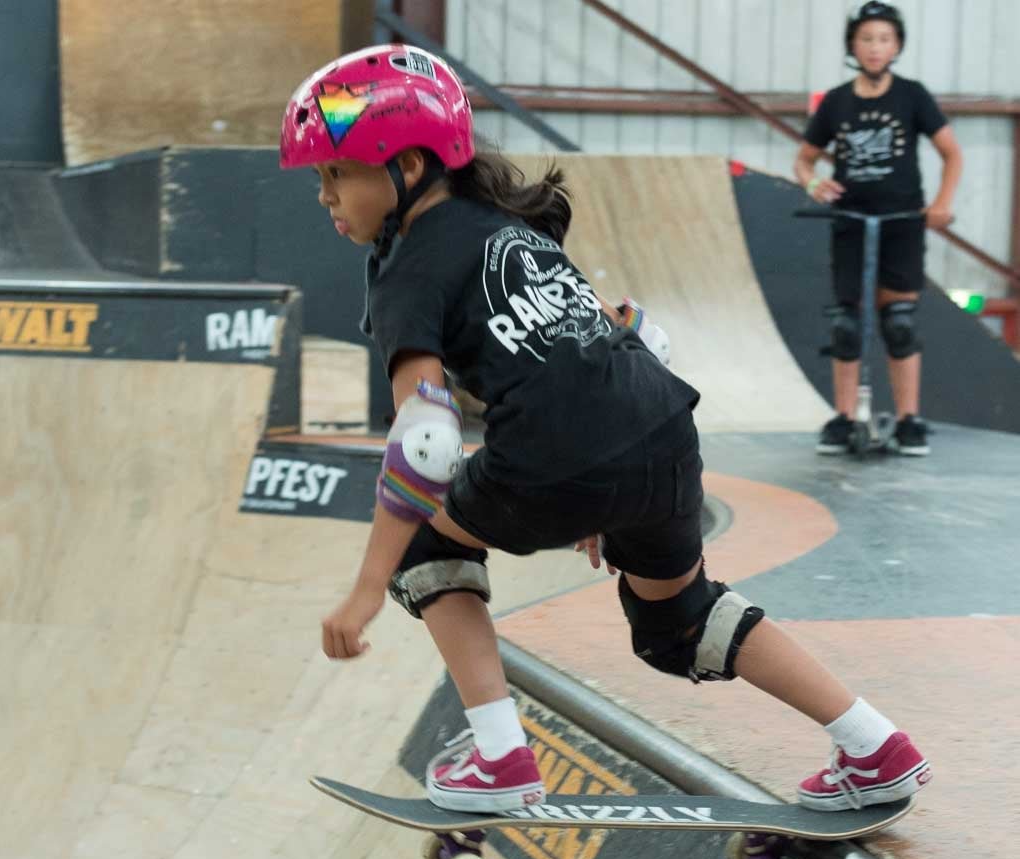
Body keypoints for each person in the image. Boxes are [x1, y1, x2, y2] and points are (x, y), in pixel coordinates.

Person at [282, 44, 931, 813]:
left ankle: (500, 758)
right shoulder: (510, 225)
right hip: (662, 430)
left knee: (426, 545)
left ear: (411, 167)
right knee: (679, 622)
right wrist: (604, 491)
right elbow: (632, 330)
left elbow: (424, 442)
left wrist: (362, 594)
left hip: (561, 456)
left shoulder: (408, 270)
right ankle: (874, 744)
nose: (325, 196)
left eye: (339, 173)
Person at [794, 1, 963, 456]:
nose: (875, 47)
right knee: (847, 325)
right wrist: (812, 183)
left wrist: (942, 204)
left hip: (901, 223)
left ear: (897, 46)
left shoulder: (912, 96)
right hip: (851, 221)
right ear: (853, 44)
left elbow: (952, 153)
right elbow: (805, 159)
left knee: (899, 323)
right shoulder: (836, 101)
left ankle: (910, 419)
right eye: (867, 38)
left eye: (884, 39)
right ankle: (844, 419)